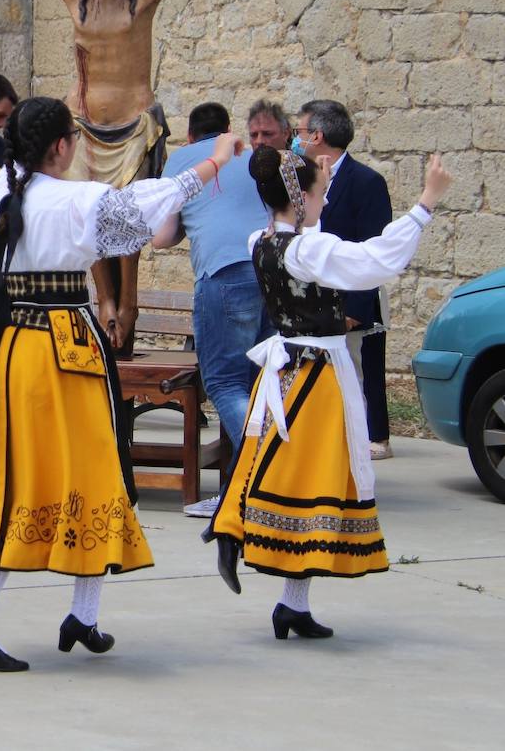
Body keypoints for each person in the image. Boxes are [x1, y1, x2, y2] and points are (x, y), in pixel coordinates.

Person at [0, 97, 235, 671]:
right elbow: (144, 208)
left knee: (23, 473)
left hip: (13, 348)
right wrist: (211, 164)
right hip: (63, 348)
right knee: (92, 469)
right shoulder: (75, 199)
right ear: (60, 145)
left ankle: (81, 616)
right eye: (73, 140)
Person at [0, 0, 301, 353]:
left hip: (133, 124)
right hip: (84, 122)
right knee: (89, 213)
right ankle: (104, 303)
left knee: (130, 221)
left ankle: (129, 307)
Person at [205, 146, 449, 640]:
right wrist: (425, 204)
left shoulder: (262, 239)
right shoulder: (305, 250)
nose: (324, 198)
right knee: (311, 484)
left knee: (277, 467)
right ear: (302, 200)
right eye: (319, 191)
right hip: (314, 378)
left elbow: (316, 241)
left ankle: (287, 598)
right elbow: (374, 260)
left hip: (286, 371)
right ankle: (232, 531)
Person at [152, 102, 273, 518]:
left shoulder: (180, 162)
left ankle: (267, 472)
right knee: (261, 381)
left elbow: (162, 238)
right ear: (228, 131)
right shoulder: (248, 154)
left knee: (223, 383)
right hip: (270, 270)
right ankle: (253, 484)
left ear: (189, 137)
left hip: (223, 273)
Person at [296, 100, 394, 459]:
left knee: (361, 371)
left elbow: (374, 249)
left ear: (318, 135)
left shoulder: (366, 182)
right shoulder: (303, 178)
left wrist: (356, 306)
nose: (297, 139)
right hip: (317, 296)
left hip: (352, 294)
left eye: (300, 132)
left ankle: (374, 437)